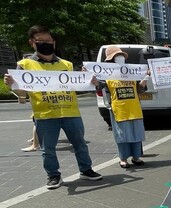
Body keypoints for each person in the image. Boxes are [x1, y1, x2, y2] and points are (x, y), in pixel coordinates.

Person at [3, 25, 102, 189]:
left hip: (70, 111)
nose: (45, 43)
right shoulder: (24, 64)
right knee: (47, 149)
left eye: (48, 40)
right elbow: (22, 93)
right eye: (40, 41)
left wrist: (92, 81)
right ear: (32, 43)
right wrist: (11, 84)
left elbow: (78, 85)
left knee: (80, 144)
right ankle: (54, 176)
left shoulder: (67, 64)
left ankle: (86, 170)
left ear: (54, 42)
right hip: (45, 114)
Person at [95, 46, 148, 169]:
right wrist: (91, 78)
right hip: (119, 110)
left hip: (134, 108)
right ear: (110, 61)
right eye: (117, 57)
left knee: (136, 134)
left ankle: (136, 157)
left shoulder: (131, 72)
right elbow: (99, 87)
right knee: (122, 135)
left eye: (121, 56)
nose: (120, 59)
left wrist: (145, 79)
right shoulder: (106, 75)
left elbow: (140, 90)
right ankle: (123, 158)